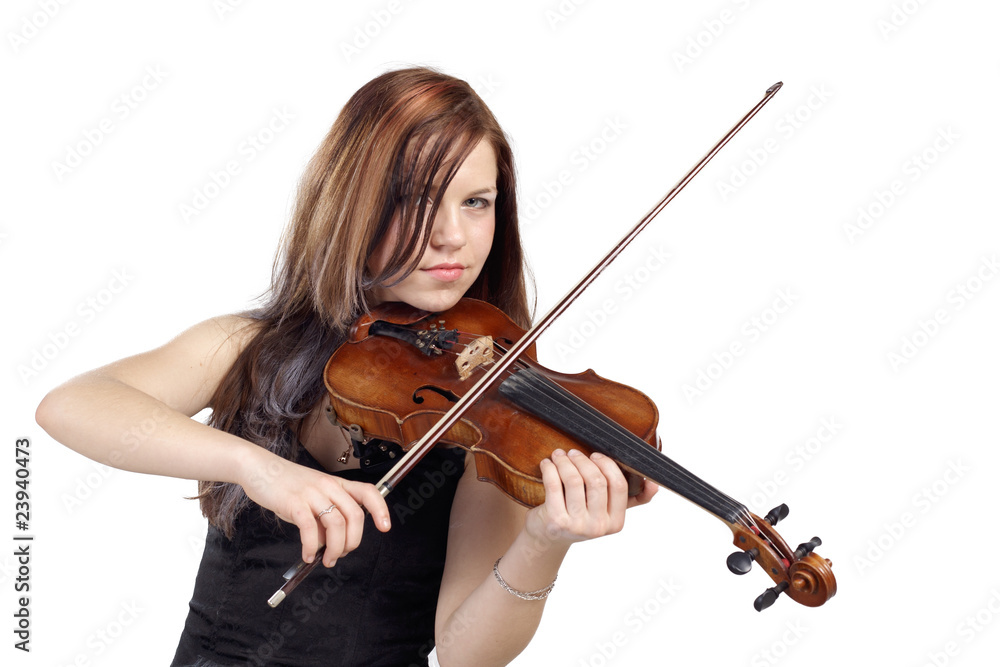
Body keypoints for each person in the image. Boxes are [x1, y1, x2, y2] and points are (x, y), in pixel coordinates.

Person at [36, 66, 657, 667]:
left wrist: (544, 543)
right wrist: (256, 468)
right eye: (414, 199)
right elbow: (70, 405)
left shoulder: (492, 402)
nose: (451, 236)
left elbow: (466, 654)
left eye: (476, 201)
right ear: (353, 203)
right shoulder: (248, 347)